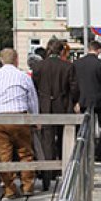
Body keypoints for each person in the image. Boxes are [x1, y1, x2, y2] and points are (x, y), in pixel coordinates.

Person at [0, 48, 39, 198]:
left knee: (3, 155)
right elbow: (32, 100)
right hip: (19, 118)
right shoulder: (23, 76)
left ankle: (9, 188)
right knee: (25, 153)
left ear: (1, 60)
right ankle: (27, 186)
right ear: (16, 60)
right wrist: (35, 119)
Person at [33, 38, 79, 187]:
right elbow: (74, 87)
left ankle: (48, 172)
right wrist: (74, 101)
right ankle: (63, 167)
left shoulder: (39, 66)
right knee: (63, 137)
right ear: (61, 51)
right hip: (63, 105)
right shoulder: (67, 66)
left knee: (47, 139)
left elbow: (34, 87)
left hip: (44, 105)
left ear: (48, 50)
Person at [73, 40, 101, 165]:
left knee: (83, 128)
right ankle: (99, 154)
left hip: (83, 100)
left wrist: (76, 101)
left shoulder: (77, 63)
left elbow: (74, 84)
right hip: (99, 100)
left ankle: (83, 154)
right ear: (99, 50)